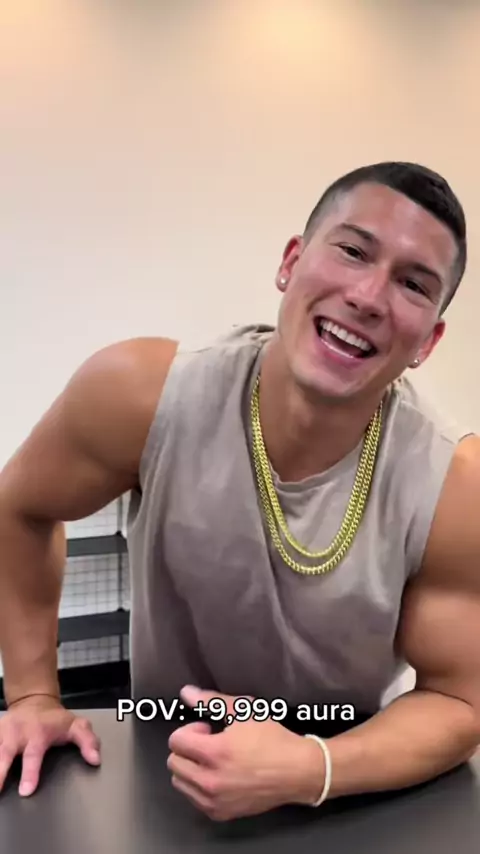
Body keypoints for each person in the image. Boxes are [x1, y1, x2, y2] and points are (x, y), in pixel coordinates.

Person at [1, 161, 480, 823]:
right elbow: (21, 507)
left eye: (413, 284)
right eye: (352, 251)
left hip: (345, 776)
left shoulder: (455, 485)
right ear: (291, 262)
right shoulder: (140, 395)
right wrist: (31, 697)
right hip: (165, 760)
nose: (369, 296)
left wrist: (312, 768)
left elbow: (459, 701)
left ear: (429, 340)